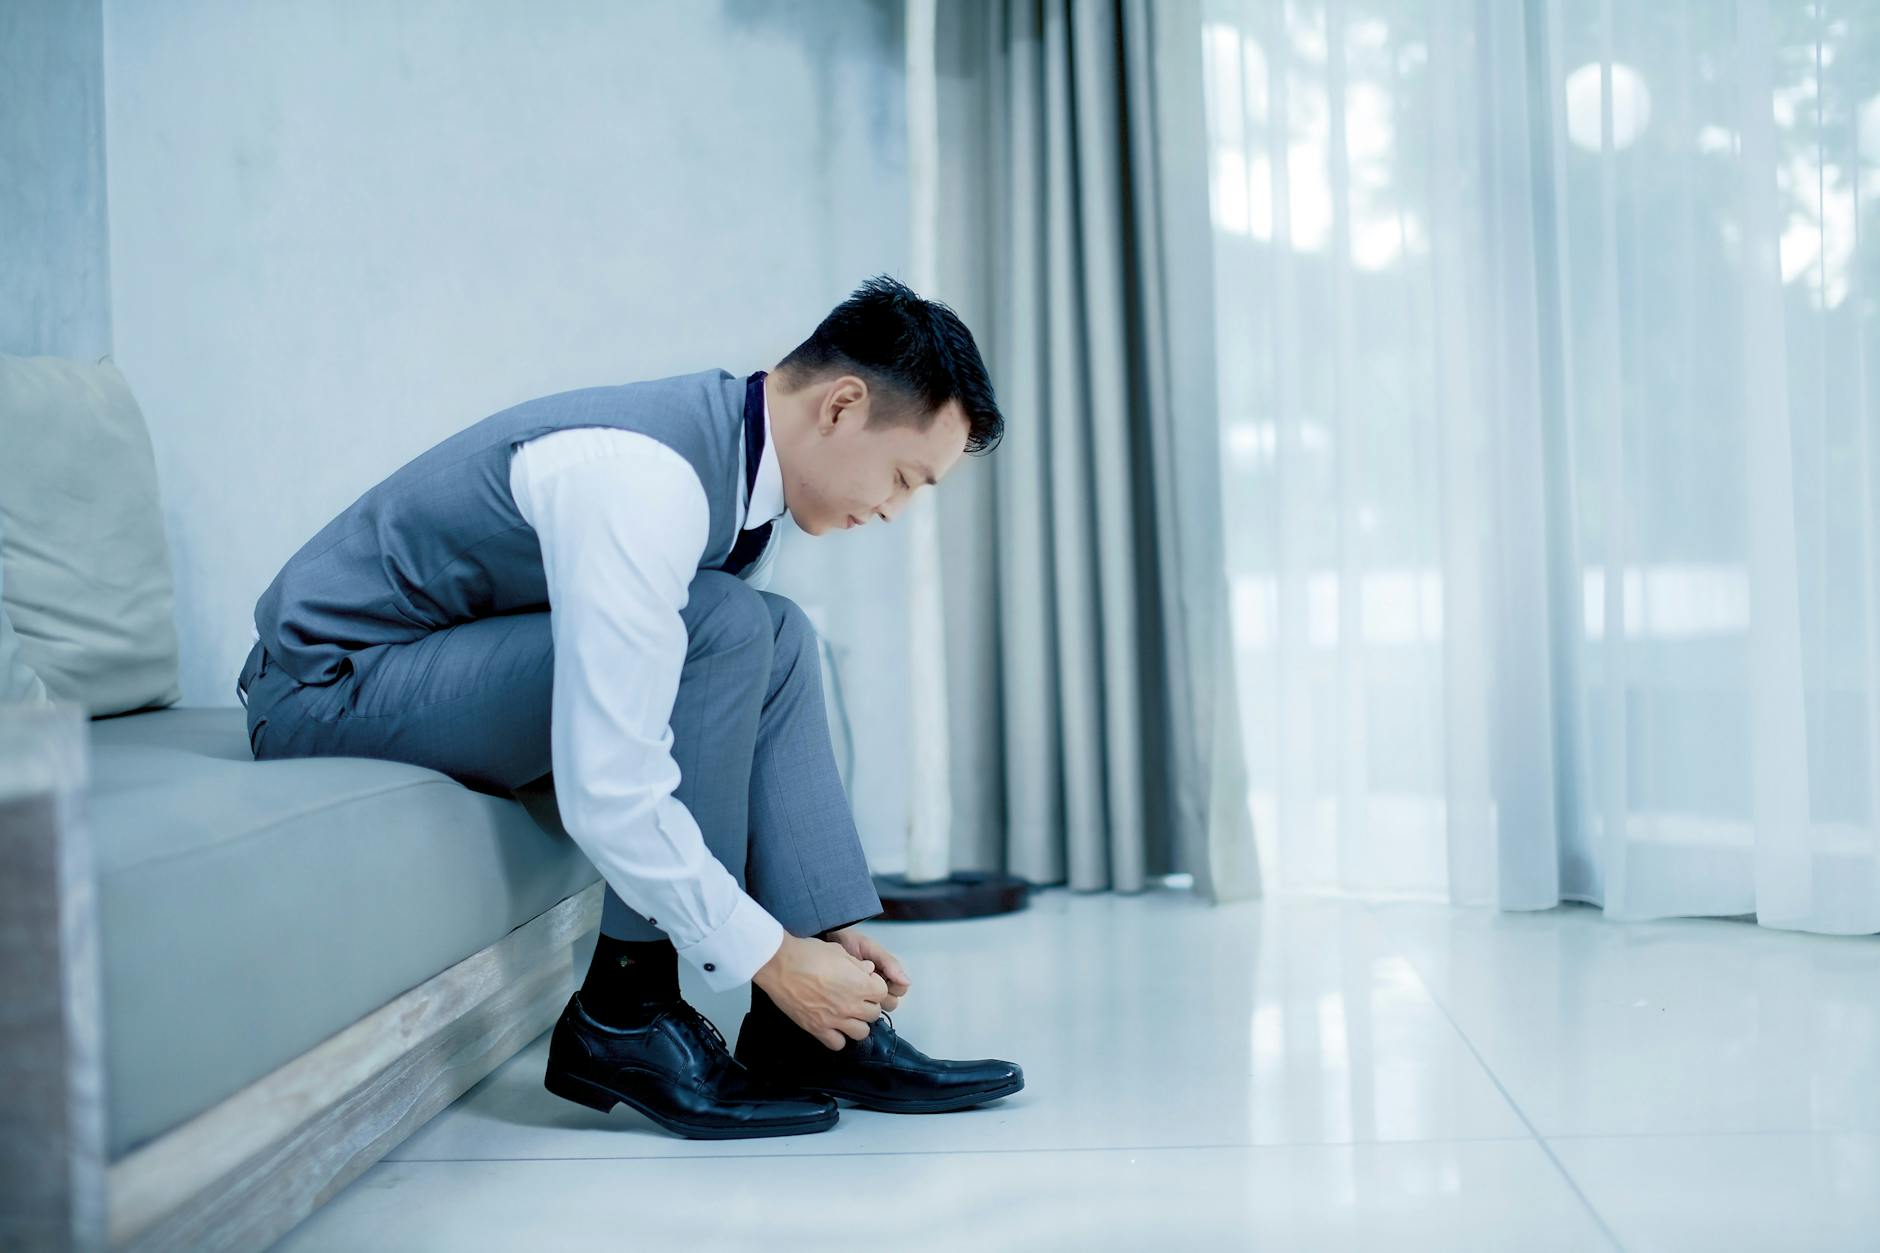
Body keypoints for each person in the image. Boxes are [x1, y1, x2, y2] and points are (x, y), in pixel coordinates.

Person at [234, 275, 1023, 1140]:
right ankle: (626, 1009)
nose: (894, 510)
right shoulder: (645, 479)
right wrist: (769, 958)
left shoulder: (736, 477)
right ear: (841, 406)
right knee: (723, 623)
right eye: (905, 478)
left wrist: (822, 942)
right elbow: (610, 783)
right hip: (327, 687)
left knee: (779, 632)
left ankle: (806, 1035)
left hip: (410, 672)